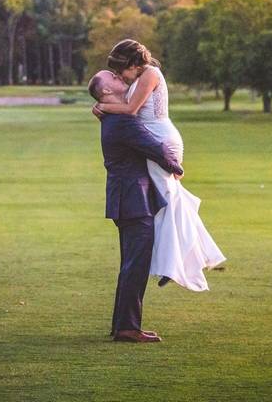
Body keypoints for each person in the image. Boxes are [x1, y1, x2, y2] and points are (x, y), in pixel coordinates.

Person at [93, 39, 226, 292]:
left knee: (168, 202)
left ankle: (177, 263)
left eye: (122, 70)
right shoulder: (140, 77)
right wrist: (102, 105)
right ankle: (177, 262)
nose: (121, 76)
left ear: (133, 63)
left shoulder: (151, 73)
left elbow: (131, 110)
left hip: (161, 139)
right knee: (169, 202)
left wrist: (102, 105)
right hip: (153, 138)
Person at [88, 70, 184, 343]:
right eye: (114, 79)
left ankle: (123, 325)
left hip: (126, 198)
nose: (121, 79)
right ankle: (128, 328)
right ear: (106, 91)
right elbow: (154, 148)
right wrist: (176, 167)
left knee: (131, 264)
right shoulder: (122, 120)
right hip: (133, 200)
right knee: (135, 265)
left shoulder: (112, 116)